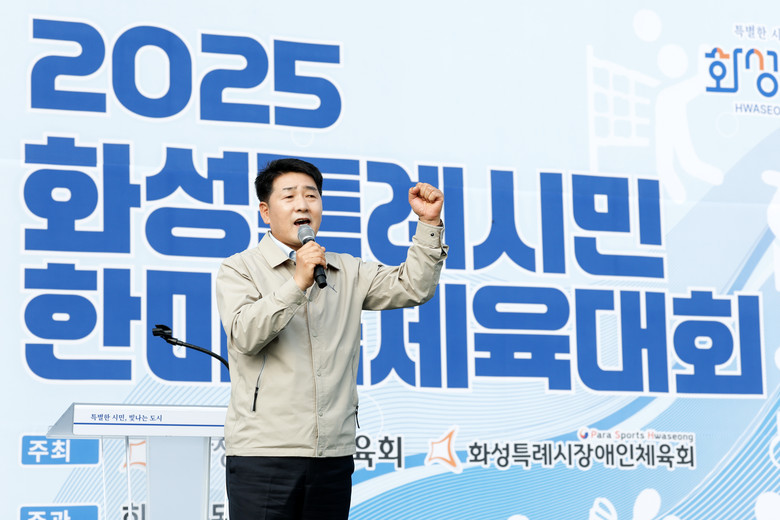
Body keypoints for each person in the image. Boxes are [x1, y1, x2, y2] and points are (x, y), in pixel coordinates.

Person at [215, 158, 448, 520]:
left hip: (332, 456)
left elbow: (413, 286)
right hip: (264, 454)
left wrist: (429, 224)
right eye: (289, 196)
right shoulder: (240, 268)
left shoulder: (346, 269)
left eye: (311, 196)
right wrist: (297, 283)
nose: (303, 205)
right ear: (265, 211)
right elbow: (245, 335)